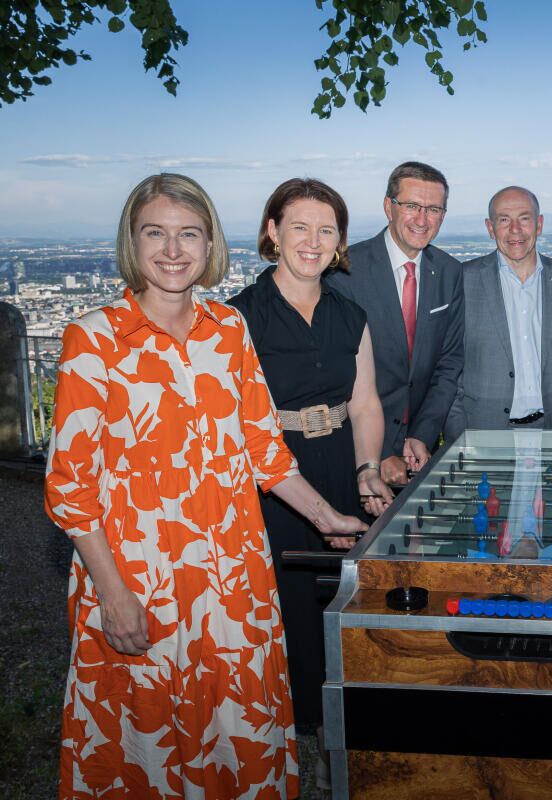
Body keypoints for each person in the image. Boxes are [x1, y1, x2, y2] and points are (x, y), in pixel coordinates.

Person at [44, 173, 366, 799]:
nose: (173, 250)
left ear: (209, 243)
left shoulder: (229, 330)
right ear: (132, 241)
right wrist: (112, 595)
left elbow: (264, 450)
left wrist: (327, 516)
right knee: (149, 741)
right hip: (140, 579)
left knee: (235, 731)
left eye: (189, 234)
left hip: (234, 580)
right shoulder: (94, 338)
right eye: (155, 233)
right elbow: (70, 490)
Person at [228, 178, 393, 737]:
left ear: (340, 241)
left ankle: (335, 723)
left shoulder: (351, 316)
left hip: (339, 463)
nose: (313, 241)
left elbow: (365, 404)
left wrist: (367, 469)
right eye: (299, 227)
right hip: (269, 475)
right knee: (283, 600)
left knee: (337, 599)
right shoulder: (238, 318)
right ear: (273, 232)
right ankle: (285, 725)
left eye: (327, 230)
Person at [326, 161, 463, 484]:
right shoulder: (345, 272)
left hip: (419, 449)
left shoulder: (450, 271)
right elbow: (336, 376)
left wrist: (422, 434)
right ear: (389, 207)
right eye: (412, 206)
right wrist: (381, 449)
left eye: (433, 209)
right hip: (357, 453)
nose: (422, 219)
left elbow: (449, 363)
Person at [445, 186, 552, 440]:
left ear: (539, 224)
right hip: (480, 434)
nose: (515, 229)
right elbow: (448, 366)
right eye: (504, 220)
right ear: (490, 228)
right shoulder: (462, 282)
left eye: (524, 218)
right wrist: (458, 431)